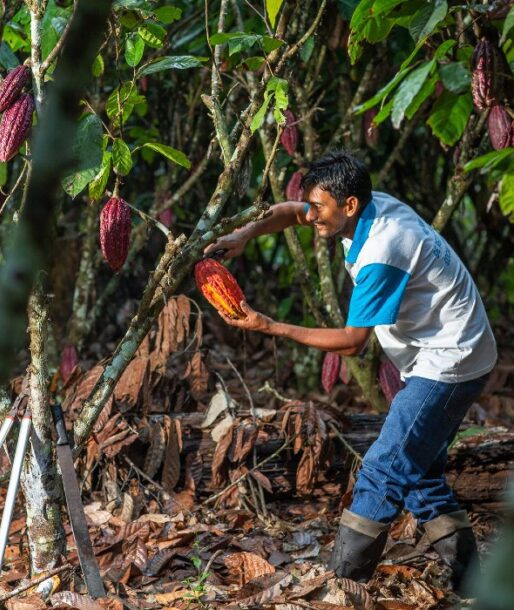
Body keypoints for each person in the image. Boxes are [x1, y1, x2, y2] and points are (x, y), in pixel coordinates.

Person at [205, 151, 498, 593]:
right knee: (419, 475)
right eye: (312, 205)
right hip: (441, 353)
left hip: (451, 360)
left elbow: (353, 342)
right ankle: (474, 586)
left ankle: (341, 588)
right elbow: (291, 211)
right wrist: (245, 233)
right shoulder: (359, 205)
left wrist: (270, 326)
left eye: (318, 207)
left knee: (383, 469)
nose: (311, 215)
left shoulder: (384, 249)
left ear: (350, 206)